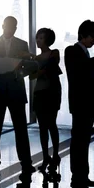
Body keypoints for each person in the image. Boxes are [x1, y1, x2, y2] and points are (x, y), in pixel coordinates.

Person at [0, 16, 35, 175]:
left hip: (15, 88)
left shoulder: (22, 44)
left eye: (13, 27)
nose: (10, 29)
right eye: (8, 26)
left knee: (20, 129)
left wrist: (19, 70)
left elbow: (30, 65)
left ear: (16, 28)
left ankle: (26, 163)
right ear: (3, 26)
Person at [64, 20, 94, 187]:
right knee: (79, 141)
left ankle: (81, 175)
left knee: (82, 141)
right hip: (80, 103)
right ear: (83, 34)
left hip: (86, 103)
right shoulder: (72, 51)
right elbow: (80, 70)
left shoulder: (84, 55)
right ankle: (79, 175)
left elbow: (88, 78)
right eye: (93, 36)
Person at [26, 28, 62, 173]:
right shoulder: (36, 59)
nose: (38, 40)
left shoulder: (54, 53)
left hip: (51, 92)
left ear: (47, 40)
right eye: (37, 38)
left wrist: (33, 61)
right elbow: (30, 76)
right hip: (40, 92)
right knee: (42, 126)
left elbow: (49, 65)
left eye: (41, 38)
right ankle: (46, 156)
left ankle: (55, 155)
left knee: (51, 124)